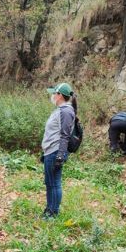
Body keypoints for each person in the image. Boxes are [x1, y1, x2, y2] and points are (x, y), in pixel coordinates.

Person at [40, 83, 77, 219]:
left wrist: (60, 155)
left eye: (54, 93)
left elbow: (65, 135)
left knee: (54, 183)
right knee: (49, 182)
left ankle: (53, 213)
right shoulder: (60, 110)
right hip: (50, 150)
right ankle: (49, 209)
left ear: (60, 95)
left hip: (56, 151)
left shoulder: (66, 111)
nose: (52, 96)